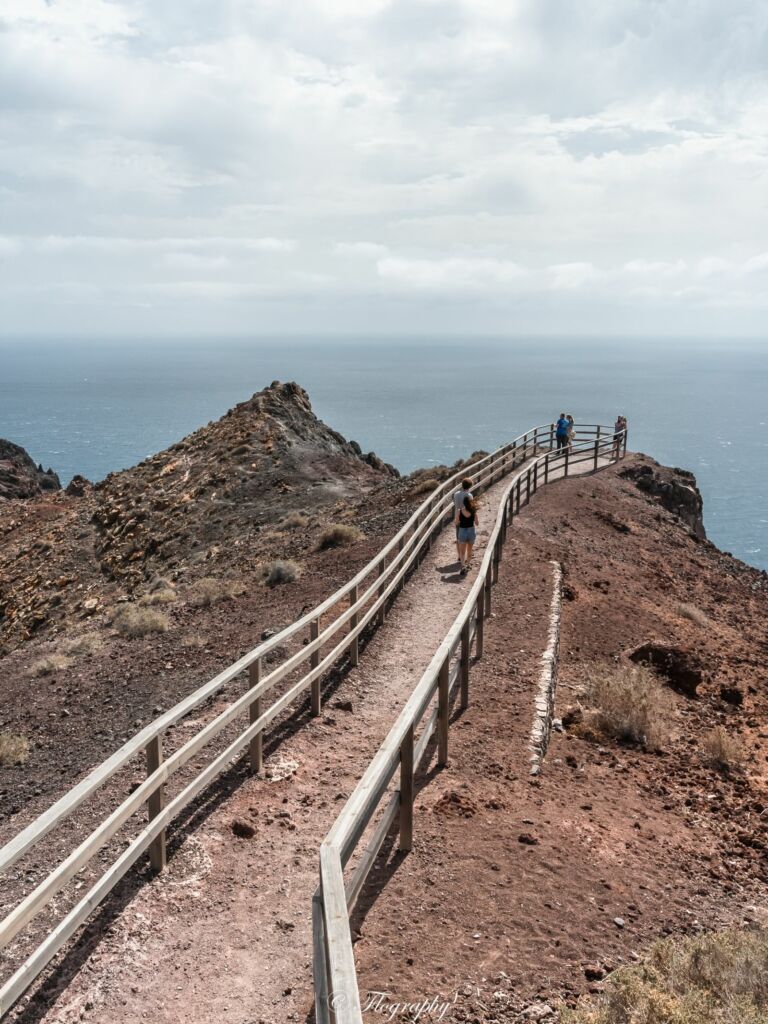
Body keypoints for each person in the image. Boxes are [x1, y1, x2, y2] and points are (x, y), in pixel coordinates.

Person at [456, 494, 479, 575]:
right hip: (471, 531)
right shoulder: (473, 511)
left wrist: (461, 521)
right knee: (469, 550)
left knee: (462, 551)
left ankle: (463, 566)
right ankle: (468, 565)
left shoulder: (459, 511)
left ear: (464, 503)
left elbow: (456, 522)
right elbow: (477, 523)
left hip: (462, 531)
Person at [453, 477, 473, 563]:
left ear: (462, 485)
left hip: (458, 517)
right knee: (467, 538)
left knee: (458, 538)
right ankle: (466, 557)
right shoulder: (469, 496)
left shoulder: (456, 494)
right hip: (467, 519)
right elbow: (471, 508)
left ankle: (459, 556)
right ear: (470, 486)